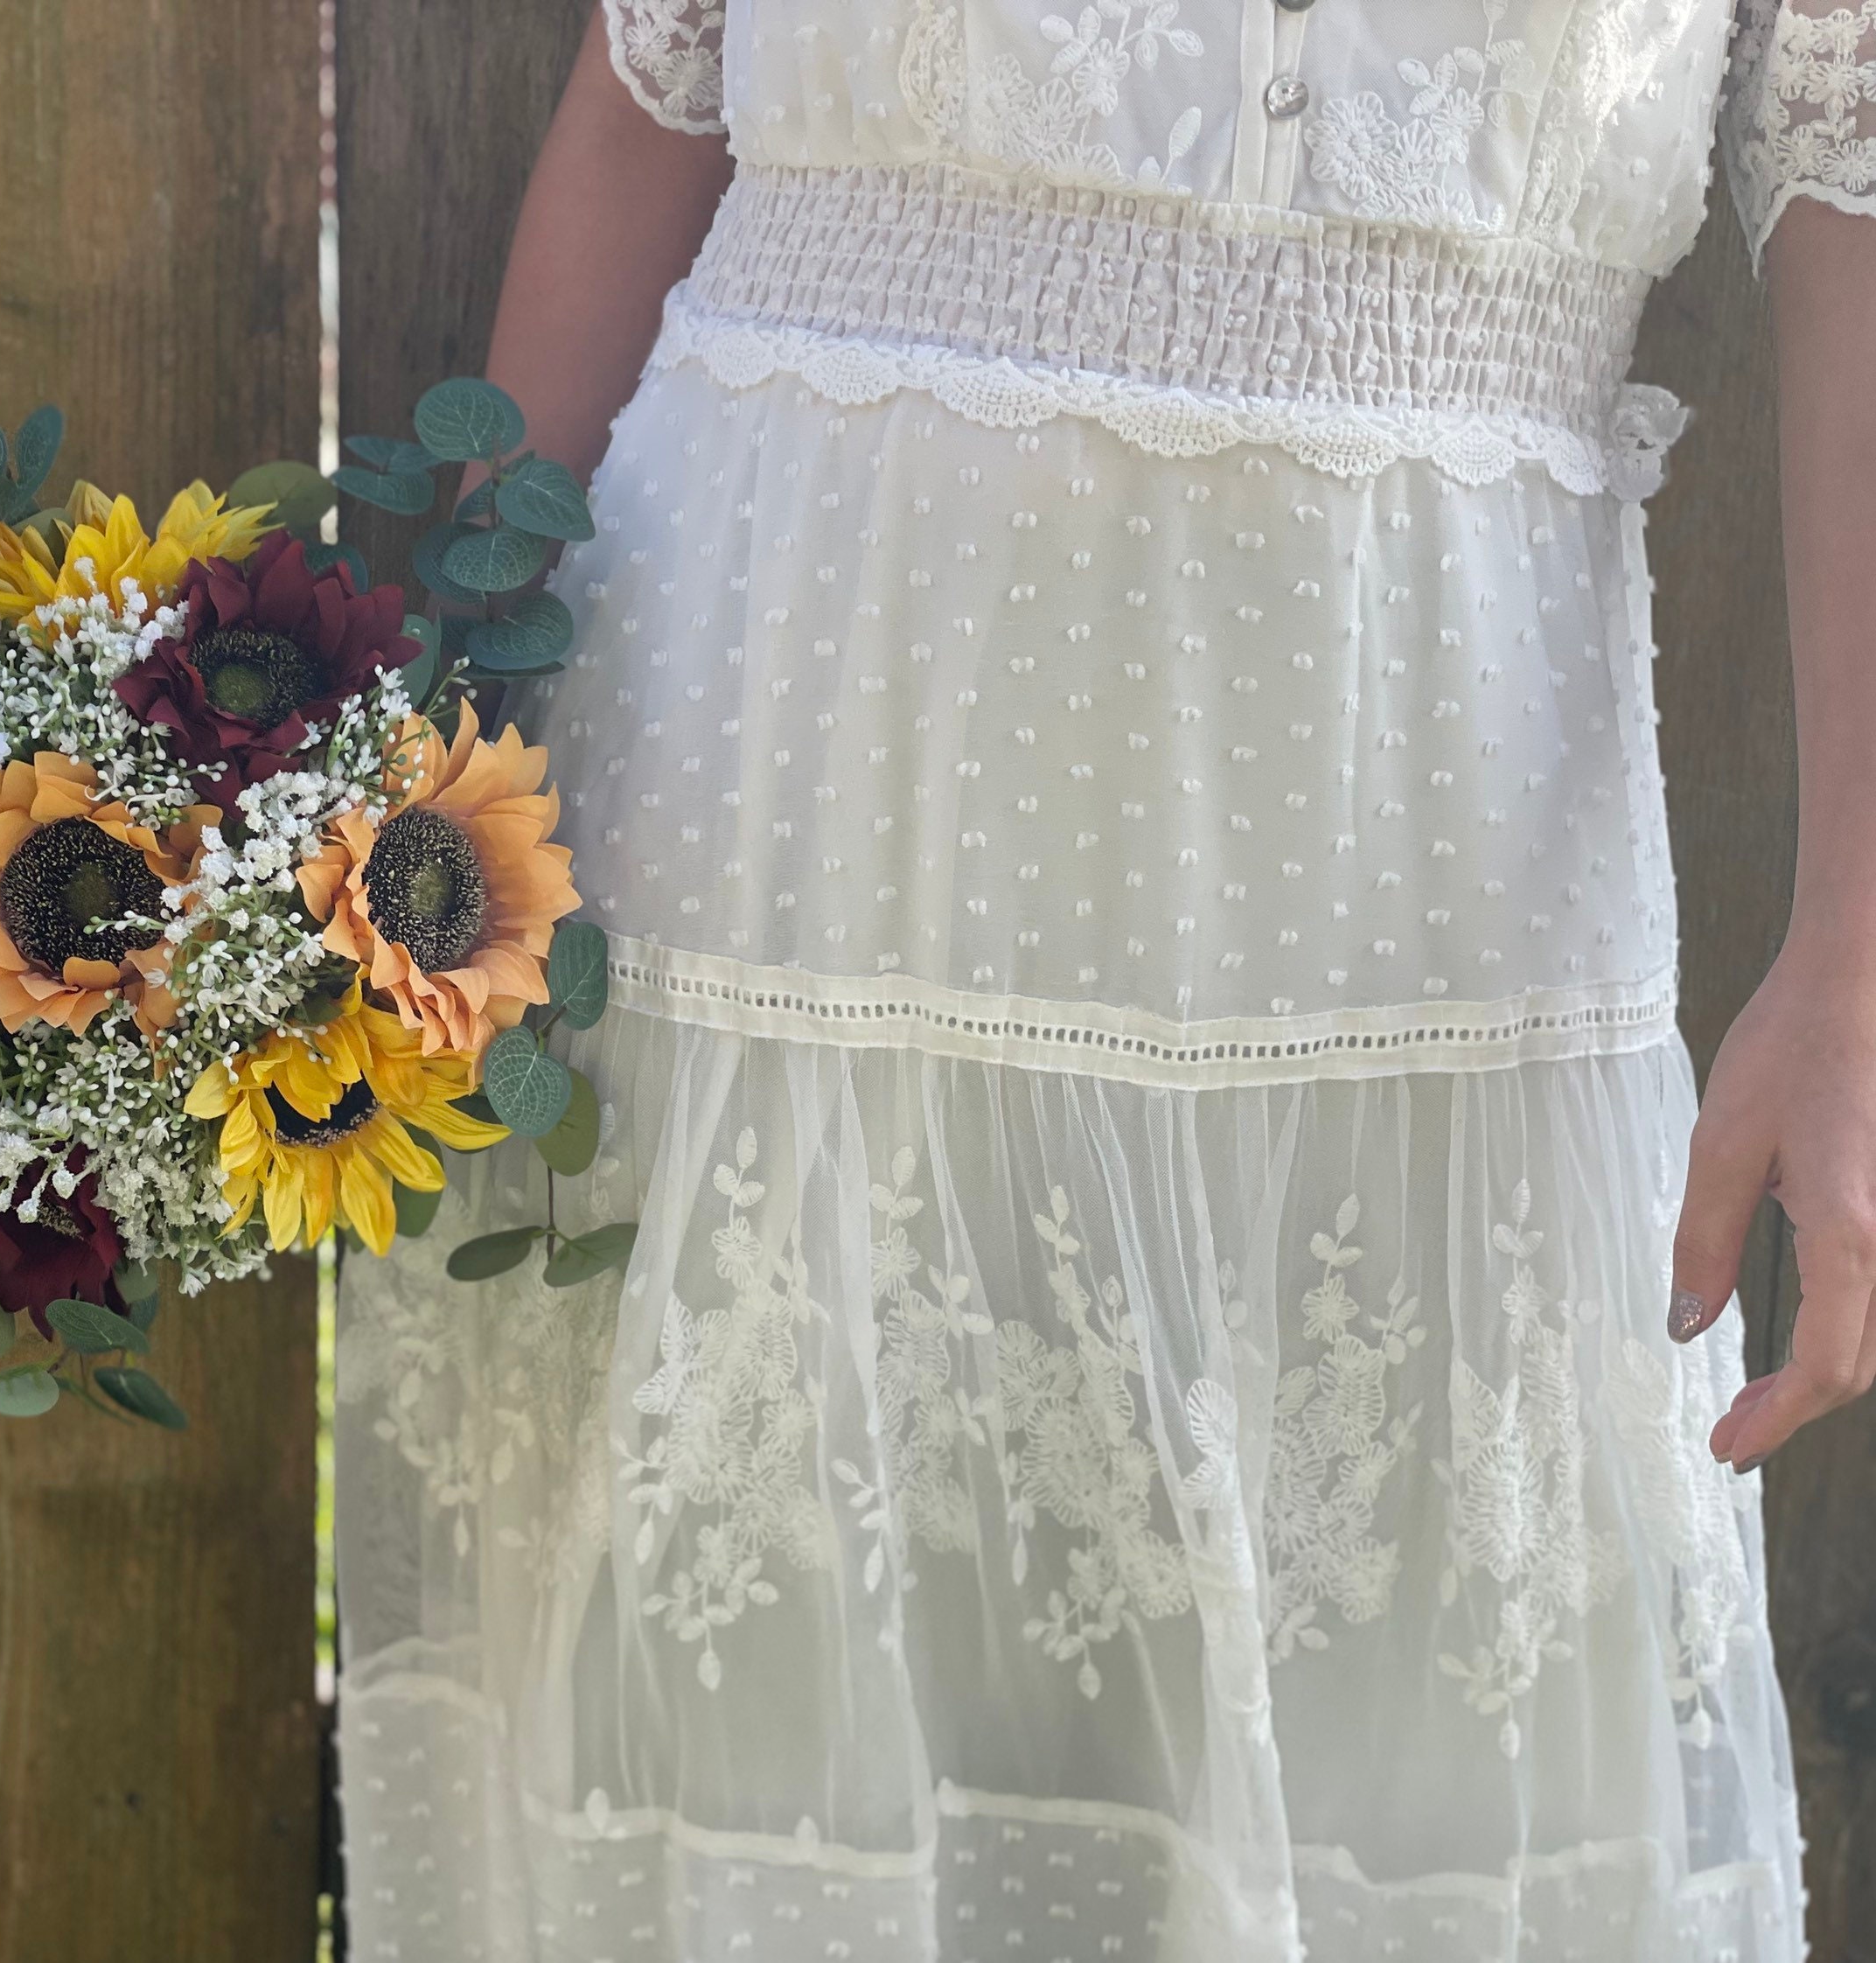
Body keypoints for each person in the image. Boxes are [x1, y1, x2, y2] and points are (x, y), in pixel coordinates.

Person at [336, 2, 1874, 1954]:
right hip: (758, 836)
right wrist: (413, 812)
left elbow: (1854, 177)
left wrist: (1857, 948)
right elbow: (657, 81)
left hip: (1419, 905)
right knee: (764, 1758)